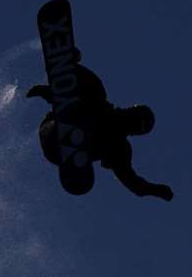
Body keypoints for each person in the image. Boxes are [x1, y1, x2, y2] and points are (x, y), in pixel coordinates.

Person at [26, 50, 174, 201]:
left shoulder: (120, 148)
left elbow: (133, 183)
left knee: (98, 104)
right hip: (52, 131)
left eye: (134, 124)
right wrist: (51, 91)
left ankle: (76, 137)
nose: (130, 122)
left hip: (57, 148)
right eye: (133, 119)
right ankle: (69, 68)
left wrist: (156, 190)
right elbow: (134, 184)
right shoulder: (102, 107)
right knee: (97, 99)